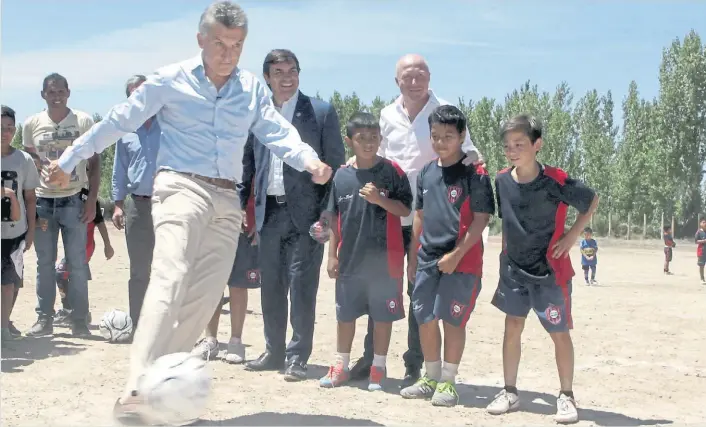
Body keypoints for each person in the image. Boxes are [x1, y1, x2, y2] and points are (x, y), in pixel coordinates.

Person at [41, 2, 332, 423]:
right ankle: (137, 387)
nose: (228, 53)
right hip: (180, 187)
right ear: (200, 40)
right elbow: (118, 121)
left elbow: (275, 130)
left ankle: (163, 387)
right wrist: (68, 160)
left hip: (226, 199)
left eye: (237, 45)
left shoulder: (249, 88)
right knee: (170, 275)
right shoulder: (169, 79)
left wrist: (308, 160)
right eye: (220, 44)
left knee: (205, 294)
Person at [349, 54, 484, 387]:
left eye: (420, 73)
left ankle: (415, 363)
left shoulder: (445, 111)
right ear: (397, 81)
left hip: (431, 219)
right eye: (407, 75)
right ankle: (371, 358)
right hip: (390, 214)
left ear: (430, 76)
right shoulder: (385, 115)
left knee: (418, 292)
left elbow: (470, 154)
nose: (414, 80)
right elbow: (372, 154)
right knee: (381, 286)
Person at [486, 115, 598, 424]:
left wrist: (573, 235)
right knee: (512, 327)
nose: (512, 151)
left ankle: (566, 395)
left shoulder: (556, 179)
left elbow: (591, 200)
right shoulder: (501, 180)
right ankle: (509, 391)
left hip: (550, 271)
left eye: (519, 144)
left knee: (559, 333)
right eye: (507, 146)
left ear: (537, 145)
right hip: (513, 270)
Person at [242, 49, 345, 381]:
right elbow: (247, 165)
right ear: (267, 78)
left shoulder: (320, 112)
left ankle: (297, 356)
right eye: (278, 71)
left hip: (307, 216)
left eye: (292, 70)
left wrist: (328, 215)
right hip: (268, 212)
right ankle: (273, 351)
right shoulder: (257, 114)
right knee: (270, 286)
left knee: (302, 285)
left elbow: (336, 168)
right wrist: (243, 209)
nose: (287, 77)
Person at [400, 106, 494, 407]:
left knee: (452, 321)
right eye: (436, 136)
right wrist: (413, 258)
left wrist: (457, 254)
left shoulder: (475, 174)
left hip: (461, 262)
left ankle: (448, 381)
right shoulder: (426, 172)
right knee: (425, 318)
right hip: (427, 259)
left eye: (448, 136)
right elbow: (419, 216)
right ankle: (430, 377)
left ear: (462, 136)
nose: (441, 142)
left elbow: (481, 220)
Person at [319, 112, 412, 391]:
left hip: (385, 262)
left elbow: (405, 209)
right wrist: (332, 255)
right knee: (345, 316)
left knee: (383, 317)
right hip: (350, 261)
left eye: (373, 137)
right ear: (350, 141)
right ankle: (340, 366)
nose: (368, 143)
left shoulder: (392, 172)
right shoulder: (341, 176)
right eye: (361, 138)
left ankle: (378, 369)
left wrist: (380, 199)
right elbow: (334, 218)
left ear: (381, 139)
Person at [23, 73, 99, 337]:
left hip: (73, 199)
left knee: (77, 262)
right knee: (44, 262)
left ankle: (79, 319)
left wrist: (92, 201)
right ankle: (44, 318)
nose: (56, 96)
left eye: (60, 91)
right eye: (51, 92)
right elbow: (28, 162)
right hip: (43, 201)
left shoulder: (83, 121)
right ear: (43, 94)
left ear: (68, 92)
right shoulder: (32, 123)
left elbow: (94, 162)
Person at [111, 74, 161, 329]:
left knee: (171, 269)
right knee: (139, 270)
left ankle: (167, 328)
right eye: (133, 94)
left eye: (143, 92)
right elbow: (119, 169)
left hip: (169, 204)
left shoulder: (172, 123)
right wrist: (118, 204)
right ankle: (139, 325)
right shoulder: (126, 131)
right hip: (138, 207)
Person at [191, 185, 259, 364]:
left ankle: (236, 342)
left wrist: (254, 215)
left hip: (242, 221)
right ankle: (210, 340)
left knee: (238, 284)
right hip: (212, 218)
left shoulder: (248, 155)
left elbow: (256, 178)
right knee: (213, 283)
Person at [2, 105, 40, 345]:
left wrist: (31, 231)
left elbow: (30, 198)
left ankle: (3, 327)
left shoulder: (23, 160)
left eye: (8, 128)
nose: (4, 133)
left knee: (9, 283)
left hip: (14, 232)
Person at [54, 199, 114, 327]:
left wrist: (107, 245)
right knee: (69, 274)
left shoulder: (89, 198)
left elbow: (100, 222)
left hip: (85, 245)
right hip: (73, 245)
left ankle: (70, 311)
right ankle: (80, 312)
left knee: (62, 273)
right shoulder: (66, 193)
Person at [694, 218, 706, 285]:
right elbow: (696, 241)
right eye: (703, 222)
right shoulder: (699, 232)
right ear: (700, 224)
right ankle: (702, 278)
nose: (705, 223)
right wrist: (703, 241)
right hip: (702, 251)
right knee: (701, 265)